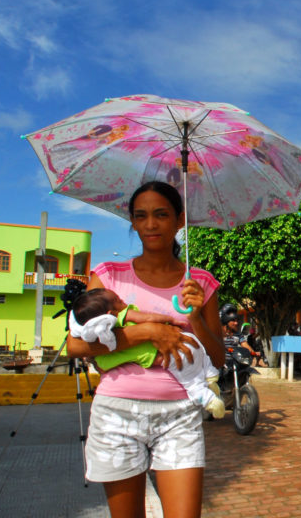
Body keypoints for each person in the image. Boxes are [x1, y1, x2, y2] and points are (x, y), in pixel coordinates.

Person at [66, 181, 225, 518]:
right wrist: (147, 332)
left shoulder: (201, 283)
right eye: (141, 216)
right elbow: (76, 344)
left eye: (161, 214)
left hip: (180, 415)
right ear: (133, 222)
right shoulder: (108, 276)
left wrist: (195, 316)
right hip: (116, 415)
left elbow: (218, 358)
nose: (151, 224)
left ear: (180, 220)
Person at [70, 288, 225, 419]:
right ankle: (208, 388)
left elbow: (103, 367)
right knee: (195, 359)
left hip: (157, 360)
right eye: (117, 299)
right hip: (173, 347)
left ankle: (206, 390)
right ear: (111, 312)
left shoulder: (104, 351)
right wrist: (171, 320)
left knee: (187, 374)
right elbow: (150, 317)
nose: (122, 299)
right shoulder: (124, 315)